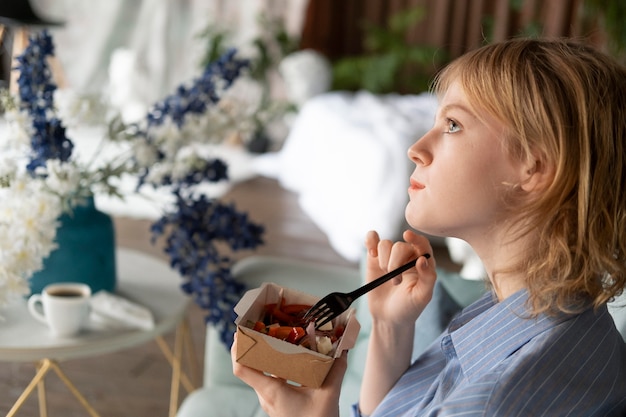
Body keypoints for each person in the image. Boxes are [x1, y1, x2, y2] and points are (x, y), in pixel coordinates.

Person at [231, 37, 626, 416]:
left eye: (452, 125)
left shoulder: (489, 401)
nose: (416, 148)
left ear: (535, 168)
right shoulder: (548, 315)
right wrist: (390, 327)